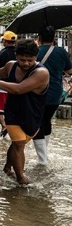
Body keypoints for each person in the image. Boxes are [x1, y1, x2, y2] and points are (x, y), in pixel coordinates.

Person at [0, 39, 49, 185]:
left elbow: (19, 89)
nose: (26, 63)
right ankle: (21, 178)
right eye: (22, 60)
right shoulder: (11, 66)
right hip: (12, 112)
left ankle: (7, 167)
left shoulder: (41, 73)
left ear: (36, 57)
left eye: (30, 60)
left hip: (33, 114)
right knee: (19, 144)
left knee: (16, 144)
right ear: (16, 56)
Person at [33, 25, 72, 165]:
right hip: (55, 93)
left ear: (39, 38)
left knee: (38, 123)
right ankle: (45, 151)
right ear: (54, 38)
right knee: (47, 120)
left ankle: (42, 159)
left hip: (37, 92)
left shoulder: (34, 51)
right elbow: (69, 70)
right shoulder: (61, 52)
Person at [0, 30, 17, 134]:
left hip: (1, 87)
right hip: (16, 87)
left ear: (5, 41)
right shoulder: (19, 53)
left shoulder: (2, 53)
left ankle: (4, 125)